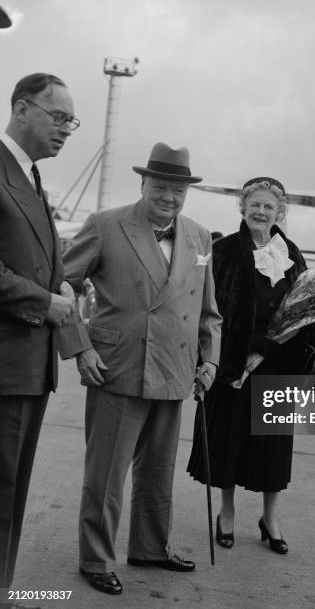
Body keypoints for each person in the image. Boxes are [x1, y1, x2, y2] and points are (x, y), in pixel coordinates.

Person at [62, 142, 222, 595]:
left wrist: (209, 359)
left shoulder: (199, 236)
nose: (170, 197)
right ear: (143, 184)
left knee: (157, 471)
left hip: (176, 370)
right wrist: (80, 348)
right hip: (117, 367)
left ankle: (150, 548)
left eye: (179, 189)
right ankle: (95, 559)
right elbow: (64, 287)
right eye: (161, 187)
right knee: (106, 475)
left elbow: (209, 310)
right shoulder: (106, 224)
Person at [187, 176, 315, 554]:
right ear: (242, 208)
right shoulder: (225, 251)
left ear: (279, 212)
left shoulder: (292, 253)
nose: (261, 212)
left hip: (278, 362)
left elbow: (306, 310)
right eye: (255, 205)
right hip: (233, 362)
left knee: (272, 447)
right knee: (230, 440)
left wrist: (274, 348)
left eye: (269, 207)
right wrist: (210, 359)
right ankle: (227, 513)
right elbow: (206, 309)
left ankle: (270, 517)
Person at [0, 73, 80, 607]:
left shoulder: (28, 177)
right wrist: (41, 301)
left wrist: (59, 283)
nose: (66, 131)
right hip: (5, 365)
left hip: (27, 367)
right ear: (21, 108)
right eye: (58, 117)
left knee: (10, 497)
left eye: (71, 123)